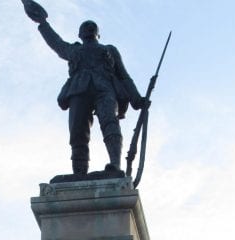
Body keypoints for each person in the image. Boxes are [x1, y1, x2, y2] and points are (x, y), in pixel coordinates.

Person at [23, 0, 146, 175]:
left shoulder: (109, 50)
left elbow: (124, 76)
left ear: (98, 34)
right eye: (85, 28)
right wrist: (43, 23)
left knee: (110, 123)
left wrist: (137, 99)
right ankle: (79, 172)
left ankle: (115, 165)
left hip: (105, 90)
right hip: (78, 91)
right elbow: (55, 42)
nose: (88, 29)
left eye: (92, 28)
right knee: (77, 132)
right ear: (80, 35)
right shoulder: (74, 50)